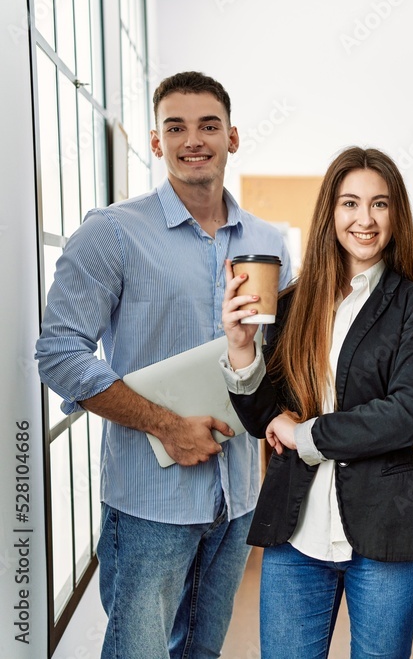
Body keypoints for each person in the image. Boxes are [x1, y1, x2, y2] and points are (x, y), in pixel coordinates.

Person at [35, 71, 291, 658]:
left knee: (202, 651)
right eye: (175, 127)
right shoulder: (112, 233)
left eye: (208, 125)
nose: (192, 139)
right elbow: (59, 354)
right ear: (156, 142)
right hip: (150, 502)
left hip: (237, 498)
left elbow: (288, 354)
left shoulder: (268, 243)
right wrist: (166, 425)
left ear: (233, 137)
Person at [220, 146, 413, 659]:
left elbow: (409, 412)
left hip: (387, 534)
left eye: (379, 204)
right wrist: (239, 349)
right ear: (330, 212)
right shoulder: (291, 302)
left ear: (397, 215)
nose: (364, 219)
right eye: (350, 203)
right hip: (295, 535)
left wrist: (307, 435)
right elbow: (264, 419)